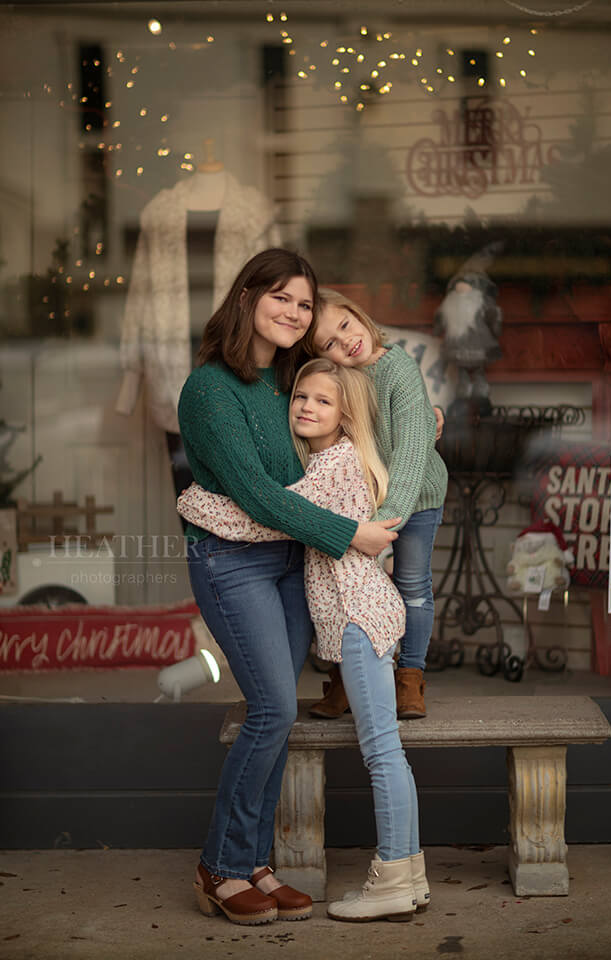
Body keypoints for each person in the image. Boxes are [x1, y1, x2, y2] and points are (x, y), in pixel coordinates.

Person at [178, 249, 400, 926]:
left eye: (304, 305)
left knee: (280, 716)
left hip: (287, 564)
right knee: (273, 709)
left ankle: (252, 862)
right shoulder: (210, 389)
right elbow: (255, 494)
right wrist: (348, 535)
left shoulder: (285, 382)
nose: (296, 313)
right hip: (230, 561)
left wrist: (424, 419)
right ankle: (220, 865)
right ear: (246, 296)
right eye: (283, 298)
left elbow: (348, 410)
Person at [306, 288, 448, 720]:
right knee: (341, 588)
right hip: (364, 503)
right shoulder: (340, 379)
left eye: (345, 326)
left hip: (416, 496)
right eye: (329, 343)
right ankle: (347, 678)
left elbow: (408, 453)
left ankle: (410, 676)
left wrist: (387, 523)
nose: (345, 341)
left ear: (358, 314)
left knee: (412, 585)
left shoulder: (399, 369)